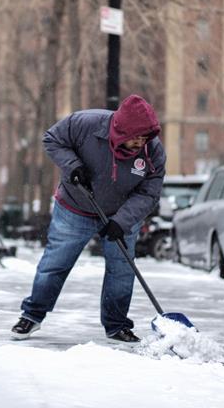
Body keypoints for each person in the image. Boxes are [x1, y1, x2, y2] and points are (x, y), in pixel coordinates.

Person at [12, 95, 166, 342]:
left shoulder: (153, 151)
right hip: (75, 207)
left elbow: (149, 193)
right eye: (134, 136)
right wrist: (73, 166)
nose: (139, 142)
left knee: (122, 270)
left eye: (144, 137)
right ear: (119, 129)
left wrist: (122, 222)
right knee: (55, 263)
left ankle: (117, 325)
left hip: (120, 214)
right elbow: (52, 139)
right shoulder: (85, 124)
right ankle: (32, 315)